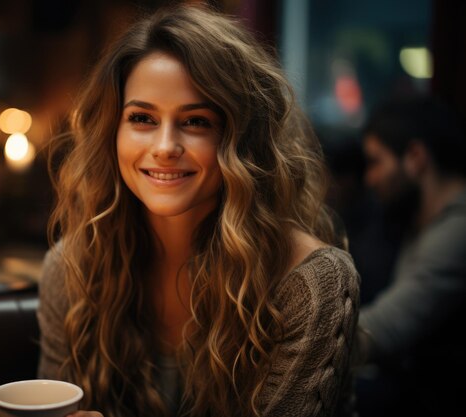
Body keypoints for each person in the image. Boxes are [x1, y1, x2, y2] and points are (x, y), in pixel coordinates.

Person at [37, 4, 360, 417]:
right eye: (141, 118)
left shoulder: (311, 285)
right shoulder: (69, 270)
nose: (165, 147)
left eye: (196, 122)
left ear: (242, 140)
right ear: (111, 132)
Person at [356, 94, 466, 416]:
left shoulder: (458, 230)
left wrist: (300, 345)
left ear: (416, 157)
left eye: (376, 162)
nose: (369, 178)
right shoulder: (417, 221)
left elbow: (387, 328)